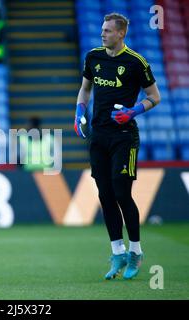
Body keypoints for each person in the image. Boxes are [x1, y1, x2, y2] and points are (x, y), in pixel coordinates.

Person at [74, 13, 161, 280]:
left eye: (108, 31)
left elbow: (154, 97)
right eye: (102, 30)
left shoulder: (136, 63)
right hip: (99, 136)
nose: (103, 34)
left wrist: (133, 112)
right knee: (105, 195)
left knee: (122, 192)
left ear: (121, 33)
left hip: (124, 135)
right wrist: (79, 112)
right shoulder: (93, 57)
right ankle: (118, 252)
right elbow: (85, 88)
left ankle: (136, 251)